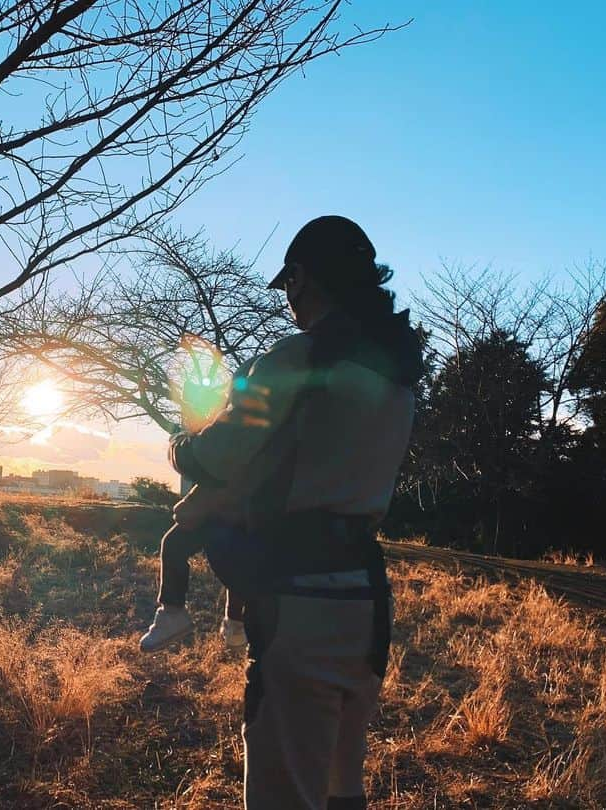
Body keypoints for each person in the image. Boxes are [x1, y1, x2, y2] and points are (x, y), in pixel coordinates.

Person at [168, 215, 423, 810]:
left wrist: (182, 442)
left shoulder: (295, 358)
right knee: (342, 787)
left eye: (288, 288)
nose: (287, 303)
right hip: (366, 600)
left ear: (303, 278)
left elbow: (217, 456)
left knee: (284, 792)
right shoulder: (398, 370)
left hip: (299, 599)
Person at [139, 360, 256, 653]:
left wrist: (179, 439)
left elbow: (200, 459)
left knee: (177, 544)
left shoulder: (236, 423)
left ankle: (174, 612)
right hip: (256, 511)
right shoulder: (279, 425)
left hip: (227, 509)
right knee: (237, 569)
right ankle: (234, 624)